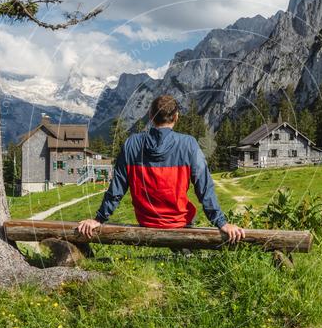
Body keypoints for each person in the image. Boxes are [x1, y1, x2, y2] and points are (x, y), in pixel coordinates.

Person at [78, 95, 245, 243]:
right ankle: (184, 253)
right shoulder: (188, 144)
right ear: (176, 117)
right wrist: (221, 222)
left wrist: (99, 219)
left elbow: (117, 187)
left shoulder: (131, 144)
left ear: (151, 116)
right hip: (179, 222)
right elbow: (204, 187)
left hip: (146, 221)